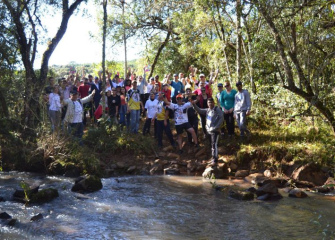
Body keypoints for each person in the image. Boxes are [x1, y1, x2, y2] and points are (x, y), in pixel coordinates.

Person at [192, 97, 224, 166]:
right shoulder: (207, 110)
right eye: (209, 103)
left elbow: (221, 117)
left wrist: (217, 126)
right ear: (207, 103)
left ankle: (215, 160)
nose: (210, 104)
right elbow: (199, 110)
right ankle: (213, 157)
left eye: (211, 102)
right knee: (211, 145)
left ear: (213, 103)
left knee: (214, 144)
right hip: (209, 130)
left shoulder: (216, 109)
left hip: (215, 131)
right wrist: (194, 104)